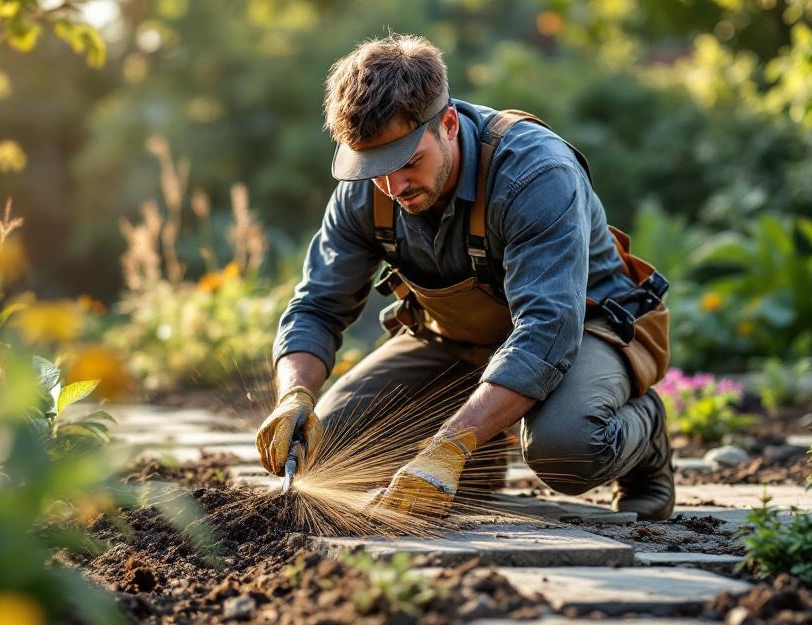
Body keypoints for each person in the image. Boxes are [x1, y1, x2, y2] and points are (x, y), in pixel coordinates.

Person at [255, 34, 674, 520]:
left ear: (448, 124)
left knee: (568, 447)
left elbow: (547, 332)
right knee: (322, 451)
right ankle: (482, 454)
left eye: (408, 162)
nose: (394, 187)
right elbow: (316, 307)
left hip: (583, 329)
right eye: (375, 169)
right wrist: (295, 396)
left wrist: (449, 444)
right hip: (455, 340)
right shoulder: (366, 190)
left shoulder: (535, 174)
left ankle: (647, 442)